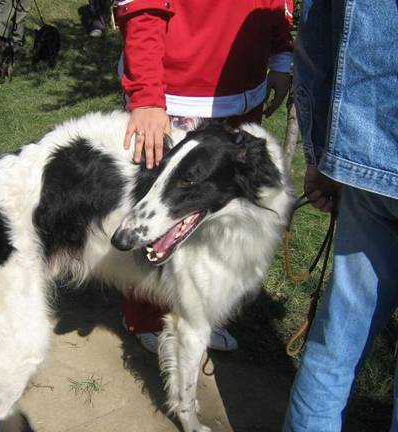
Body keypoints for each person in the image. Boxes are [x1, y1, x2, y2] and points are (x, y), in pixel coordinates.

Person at [115, 0, 293, 353]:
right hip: (174, 98)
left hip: (242, 97)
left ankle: (200, 313)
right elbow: (143, 8)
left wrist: (281, 53)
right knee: (157, 214)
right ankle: (145, 315)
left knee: (218, 222)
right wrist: (148, 95)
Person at [283, 0, 398, 430]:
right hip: (366, 165)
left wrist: (320, 155)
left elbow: (313, 41)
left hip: (367, 161)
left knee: (336, 345)